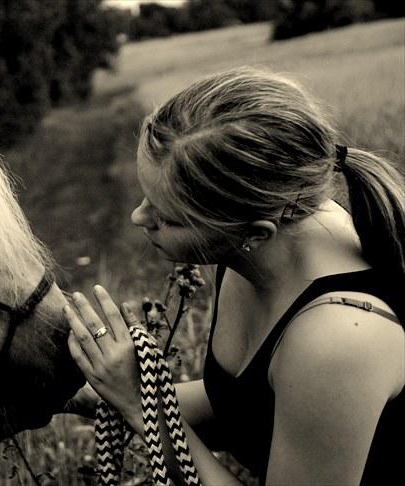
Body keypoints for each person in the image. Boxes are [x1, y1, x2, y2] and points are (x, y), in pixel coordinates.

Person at [62, 67, 404, 485]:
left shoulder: (338, 338)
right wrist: (82, 392)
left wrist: (138, 404)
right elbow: (243, 409)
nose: (138, 218)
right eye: (145, 197)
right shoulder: (263, 245)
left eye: (166, 218)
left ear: (254, 234)